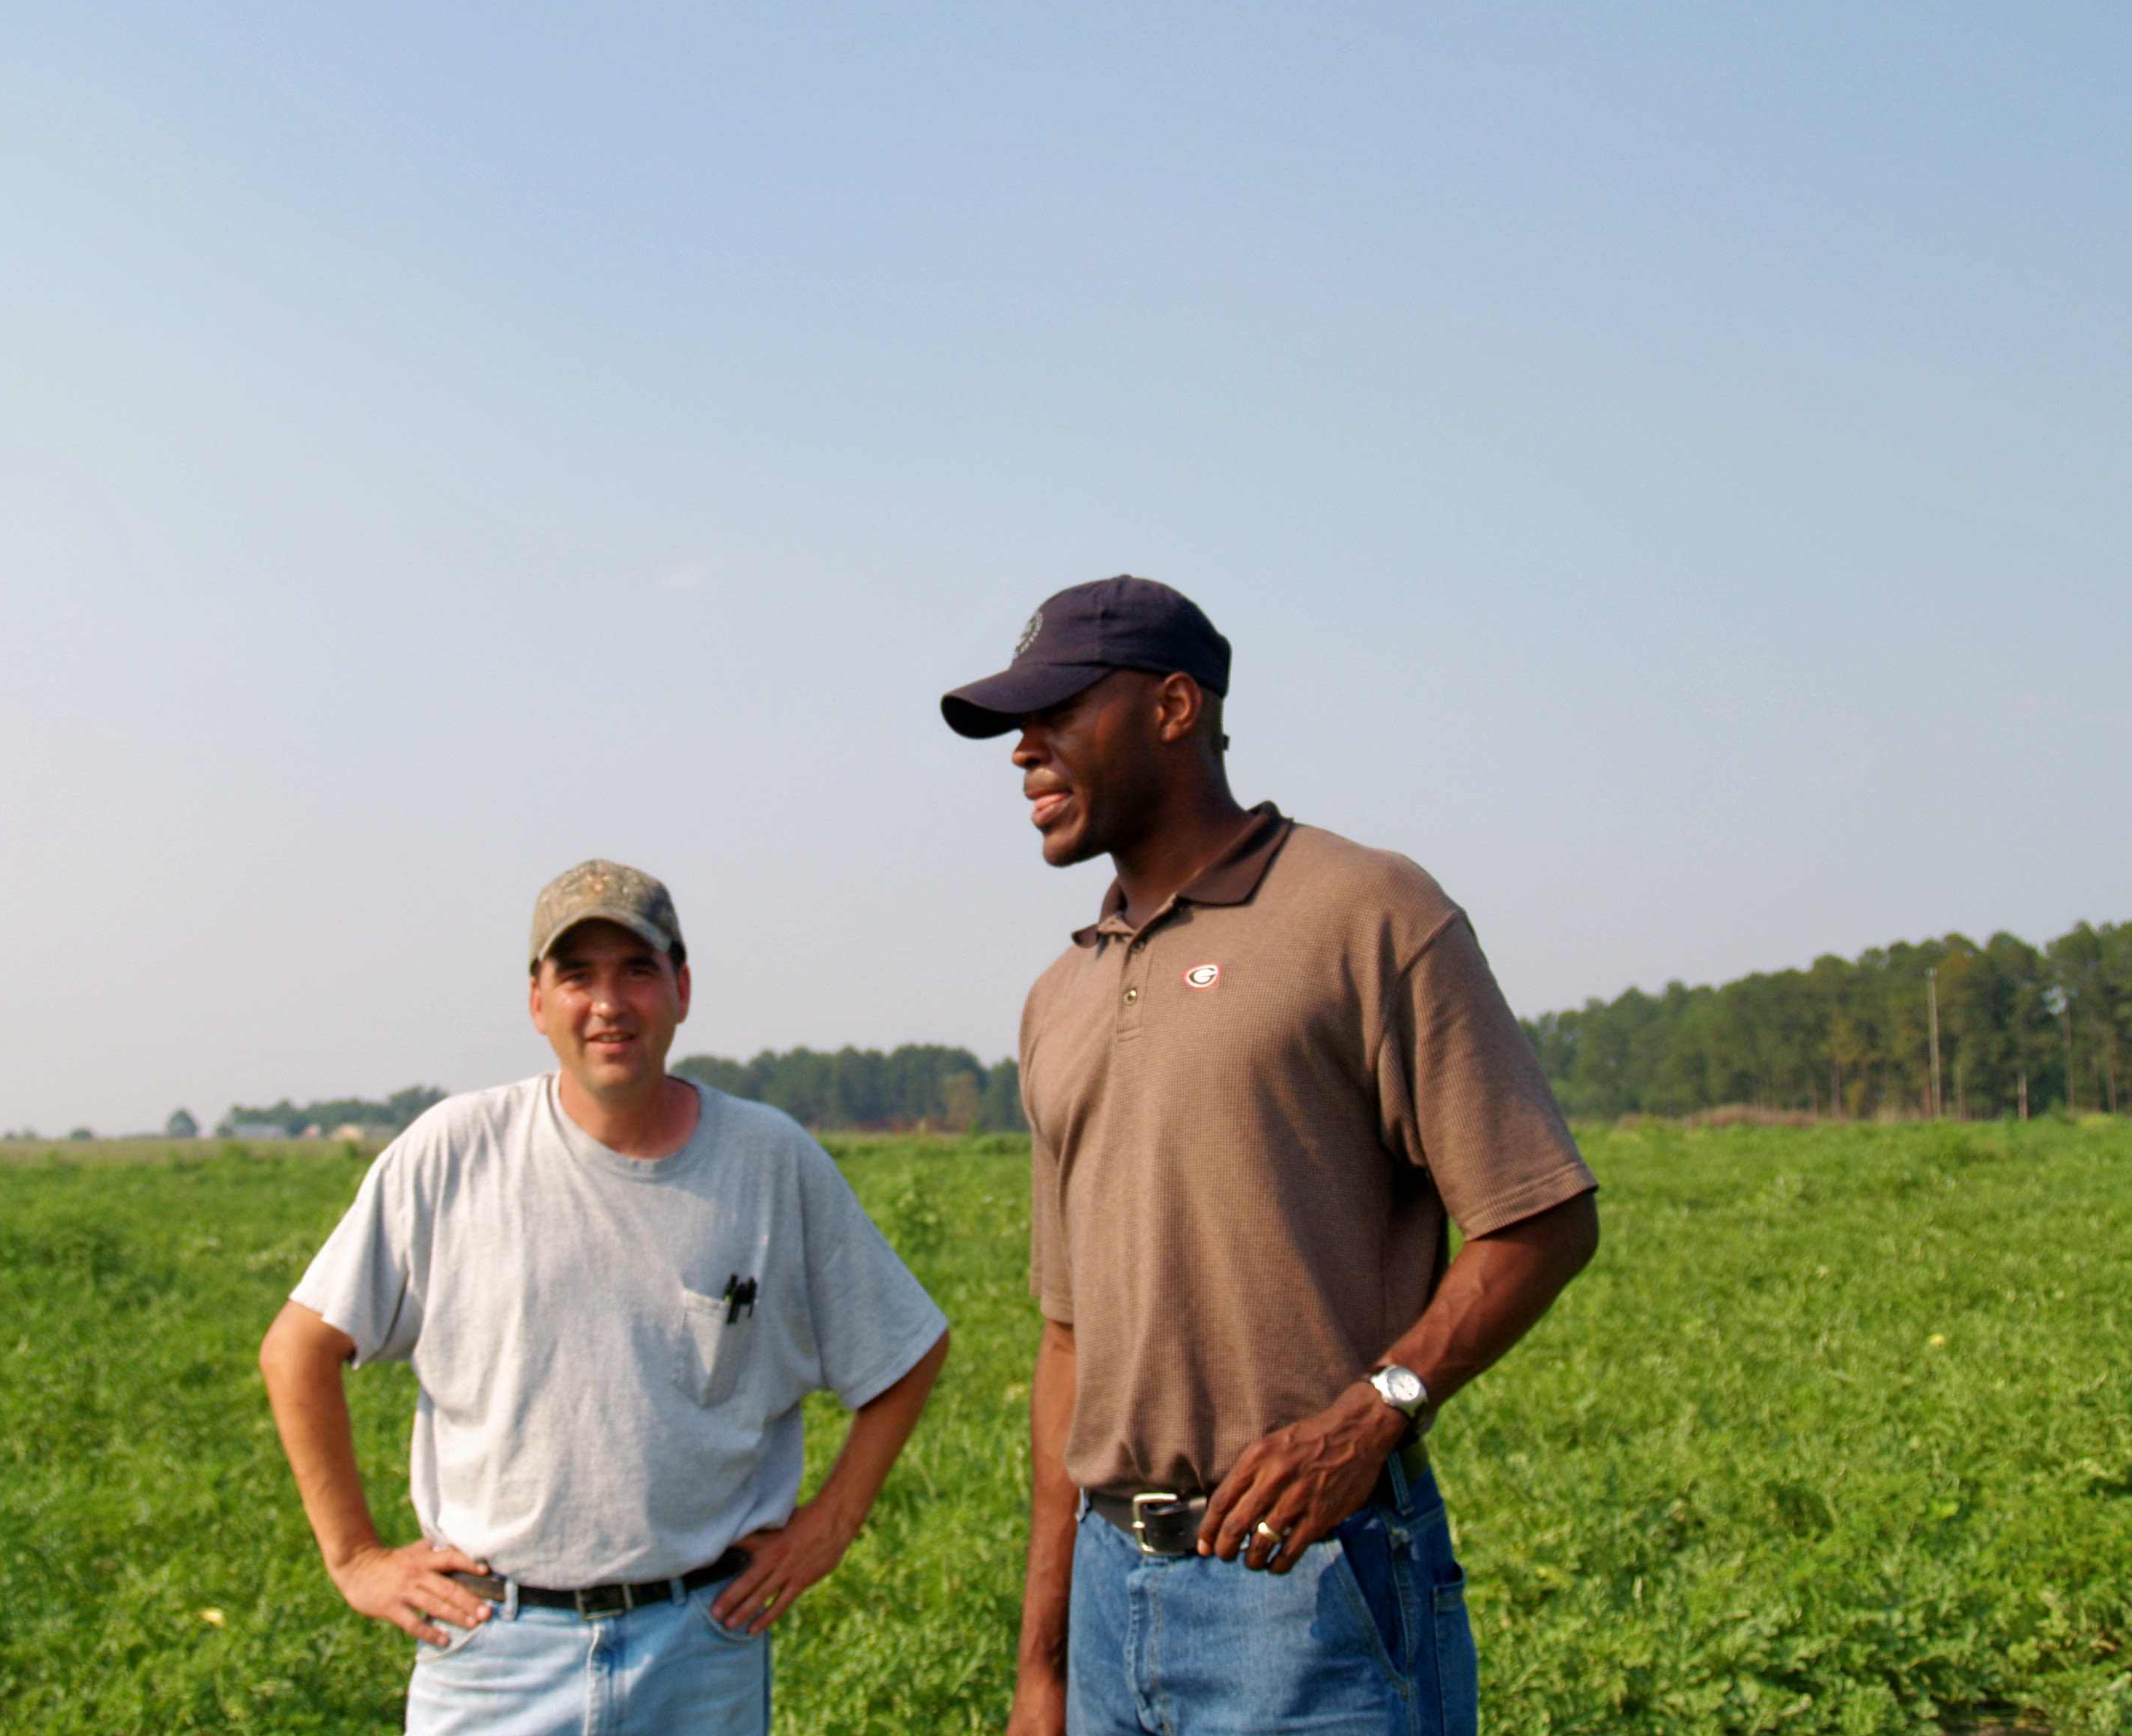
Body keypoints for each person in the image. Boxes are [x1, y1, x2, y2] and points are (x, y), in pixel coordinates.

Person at [941, 577, 1599, 1736]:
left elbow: (1539, 1216)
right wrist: (1041, 1663)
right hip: (1108, 1598)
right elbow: (1066, 1342)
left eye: (1056, 716)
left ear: (1175, 707)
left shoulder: (1365, 913)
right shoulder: (1062, 994)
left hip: (1308, 1588)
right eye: (1014, 730)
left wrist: (1376, 1410)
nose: (1023, 753)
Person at [260, 859, 951, 1736]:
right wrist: (355, 1556)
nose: (609, 1004)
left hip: (700, 1646)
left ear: (682, 988)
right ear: (537, 1002)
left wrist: (831, 1525)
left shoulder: (769, 1161)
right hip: (493, 1649)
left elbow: (907, 1347)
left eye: (636, 970)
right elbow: (296, 1349)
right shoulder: (454, 1152)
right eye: (576, 975)